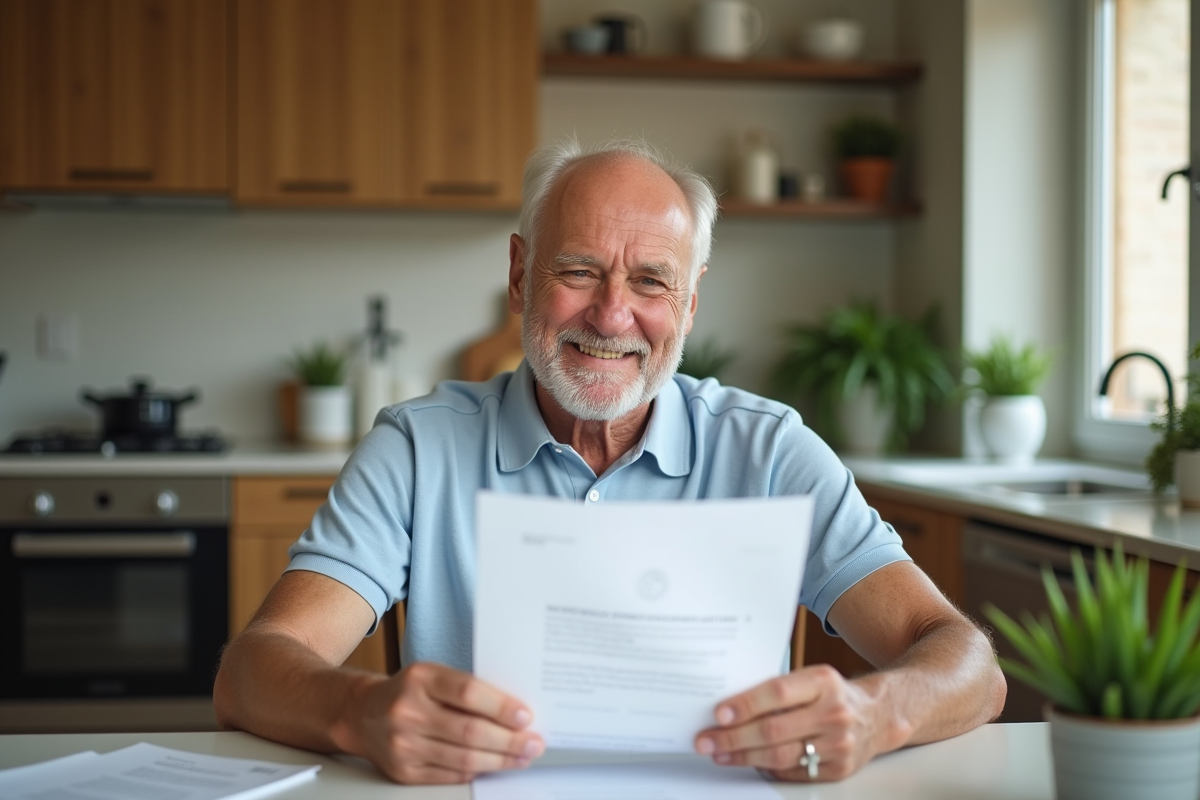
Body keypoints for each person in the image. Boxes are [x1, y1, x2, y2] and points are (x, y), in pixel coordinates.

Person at [213, 138, 1006, 786]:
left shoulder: (770, 449)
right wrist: (359, 710)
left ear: (690, 304)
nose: (612, 314)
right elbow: (252, 670)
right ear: (522, 273)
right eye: (579, 270)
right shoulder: (417, 447)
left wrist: (875, 715)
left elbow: (965, 661)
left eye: (651, 281)